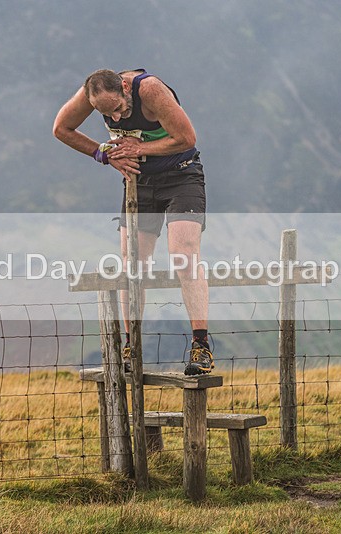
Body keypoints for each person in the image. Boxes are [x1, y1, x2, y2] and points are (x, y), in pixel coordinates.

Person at [53, 68, 214, 375]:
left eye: (118, 109)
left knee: (184, 255)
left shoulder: (149, 90)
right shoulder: (94, 93)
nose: (114, 119)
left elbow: (187, 137)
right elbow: (61, 128)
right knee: (132, 262)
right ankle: (132, 346)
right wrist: (103, 154)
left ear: (125, 88)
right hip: (139, 182)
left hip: (182, 175)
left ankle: (200, 345)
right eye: (106, 115)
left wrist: (140, 148)